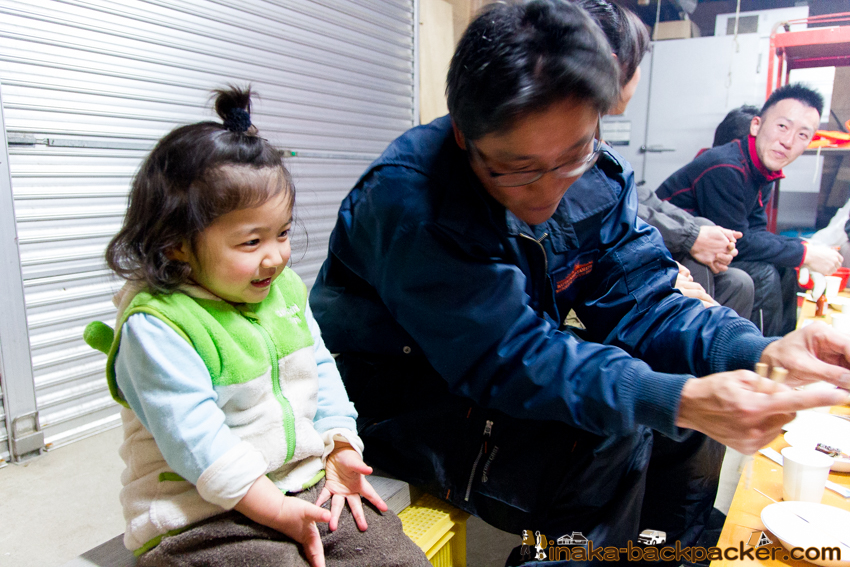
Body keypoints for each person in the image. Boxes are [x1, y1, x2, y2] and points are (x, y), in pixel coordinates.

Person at [310, 3, 850, 565]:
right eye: (518, 171)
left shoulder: (599, 174)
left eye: (573, 157)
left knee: (680, 397)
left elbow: (645, 297)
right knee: (607, 434)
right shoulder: (411, 200)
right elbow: (509, 356)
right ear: (465, 138)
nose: (548, 192)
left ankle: (664, 553)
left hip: (495, 361)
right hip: (397, 393)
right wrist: (673, 399)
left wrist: (762, 350)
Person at [83, 87, 429, 567]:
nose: (276, 256)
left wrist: (342, 446)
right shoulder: (157, 327)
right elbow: (198, 443)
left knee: (397, 557)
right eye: (251, 241)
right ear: (175, 244)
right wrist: (277, 511)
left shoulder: (281, 288)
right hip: (201, 514)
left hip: (303, 480)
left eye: (282, 232)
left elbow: (321, 369)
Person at [656, 84, 843, 337]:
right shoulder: (725, 166)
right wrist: (804, 252)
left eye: (802, 135)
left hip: (711, 251)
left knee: (785, 268)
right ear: (756, 125)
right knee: (763, 274)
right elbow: (740, 242)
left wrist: (802, 250)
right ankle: (761, 354)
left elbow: (755, 232)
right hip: (670, 253)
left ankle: (787, 345)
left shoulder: (761, 169)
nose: (788, 142)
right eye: (782, 127)